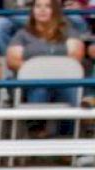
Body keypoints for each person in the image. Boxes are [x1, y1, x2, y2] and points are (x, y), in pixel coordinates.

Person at [7, 0, 84, 133]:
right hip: (32, 83)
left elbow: (75, 56)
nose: (42, 10)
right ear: (33, 10)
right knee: (39, 88)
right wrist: (41, 71)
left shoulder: (68, 32)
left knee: (70, 89)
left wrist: (43, 68)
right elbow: (12, 61)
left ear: (55, 10)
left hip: (62, 81)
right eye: (38, 6)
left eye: (47, 6)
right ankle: (37, 134)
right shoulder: (22, 34)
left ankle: (67, 139)